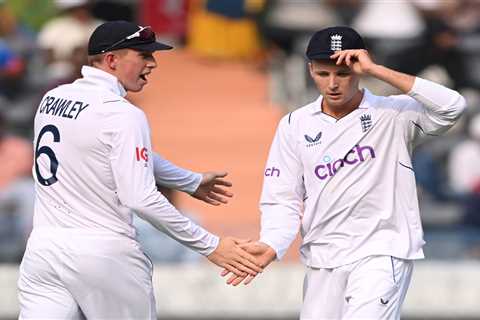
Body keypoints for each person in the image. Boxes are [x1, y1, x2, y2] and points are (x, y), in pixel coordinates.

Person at [18, 20, 262, 319]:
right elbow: (140, 198)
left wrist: (189, 181)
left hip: (43, 251)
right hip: (104, 253)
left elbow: (112, 150)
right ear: (111, 60)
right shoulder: (122, 113)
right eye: (143, 55)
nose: (153, 63)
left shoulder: (53, 98)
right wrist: (211, 245)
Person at [222, 26, 466, 319]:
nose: (333, 84)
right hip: (322, 256)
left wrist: (377, 70)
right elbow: (282, 197)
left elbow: (453, 106)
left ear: (359, 70)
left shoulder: (394, 114)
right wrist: (273, 243)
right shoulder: (294, 124)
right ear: (310, 69)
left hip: (380, 250)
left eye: (343, 73)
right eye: (323, 74)